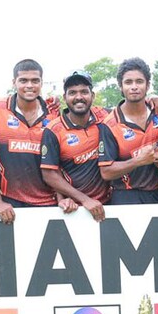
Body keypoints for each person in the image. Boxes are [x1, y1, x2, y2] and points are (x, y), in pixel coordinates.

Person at [0, 59, 57, 223]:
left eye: (35, 81)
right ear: (14, 82)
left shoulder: (53, 112)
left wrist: (62, 197)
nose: (29, 85)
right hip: (10, 202)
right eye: (23, 80)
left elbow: (59, 162)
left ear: (42, 82)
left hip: (49, 202)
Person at [98, 57, 158, 204]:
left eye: (139, 81)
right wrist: (138, 161)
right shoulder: (110, 125)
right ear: (120, 87)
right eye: (128, 82)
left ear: (148, 85)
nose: (134, 87)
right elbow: (106, 172)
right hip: (125, 195)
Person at [41, 70, 108, 221]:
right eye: (72, 92)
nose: (79, 97)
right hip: (74, 208)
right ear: (65, 97)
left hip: (109, 204)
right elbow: (49, 173)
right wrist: (82, 200)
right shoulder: (53, 130)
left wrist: (153, 100)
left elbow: (130, 111)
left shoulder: (105, 116)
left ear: (93, 95)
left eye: (84, 92)